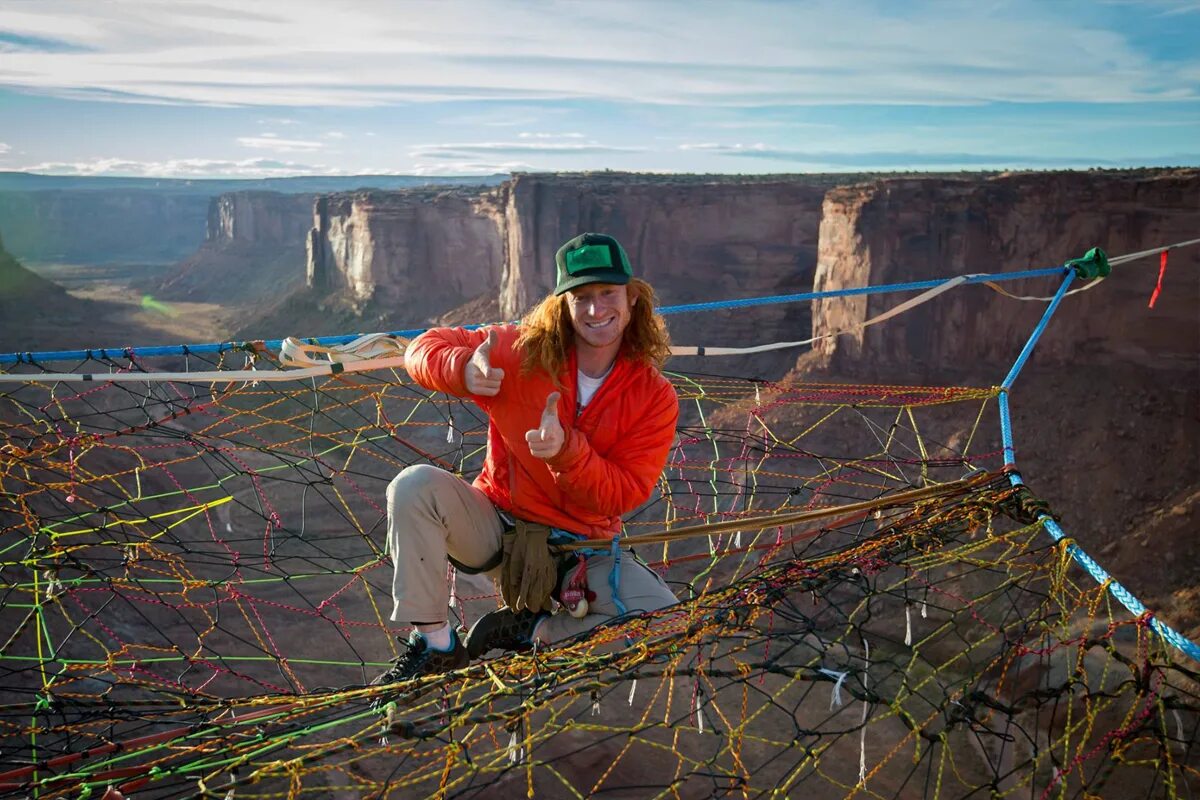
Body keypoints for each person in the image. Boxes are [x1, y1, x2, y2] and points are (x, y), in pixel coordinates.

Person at [372, 232, 680, 686]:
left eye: (608, 294)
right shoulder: (521, 353)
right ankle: (437, 644)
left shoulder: (654, 396)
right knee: (414, 486)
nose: (596, 310)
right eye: (581, 297)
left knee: (667, 625)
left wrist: (566, 452)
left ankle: (532, 631)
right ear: (563, 306)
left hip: (582, 547)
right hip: (496, 527)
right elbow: (423, 347)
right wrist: (463, 371)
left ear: (633, 299)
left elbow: (624, 493)